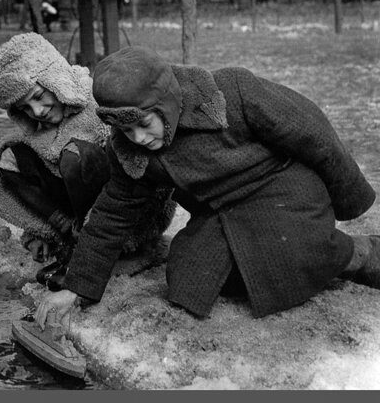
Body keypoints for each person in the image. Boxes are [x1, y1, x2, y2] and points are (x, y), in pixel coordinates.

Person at [35, 45, 380, 328]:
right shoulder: (131, 152)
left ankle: (358, 254)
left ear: (164, 102)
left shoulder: (231, 92)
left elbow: (311, 131)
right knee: (189, 279)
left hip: (283, 190)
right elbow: (112, 214)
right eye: (126, 131)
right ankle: (312, 253)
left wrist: (350, 200)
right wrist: (76, 287)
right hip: (222, 213)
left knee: (284, 254)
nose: (138, 138)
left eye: (143, 124)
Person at [0, 34, 176, 289]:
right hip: (75, 217)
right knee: (11, 160)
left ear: (55, 79)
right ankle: (64, 236)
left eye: (39, 96)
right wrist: (38, 231)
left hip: (125, 214)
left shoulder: (100, 102)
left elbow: (140, 167)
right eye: (26, 108)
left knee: (75, 157)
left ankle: (94, 254)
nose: (38, 111)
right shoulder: (39, 132)